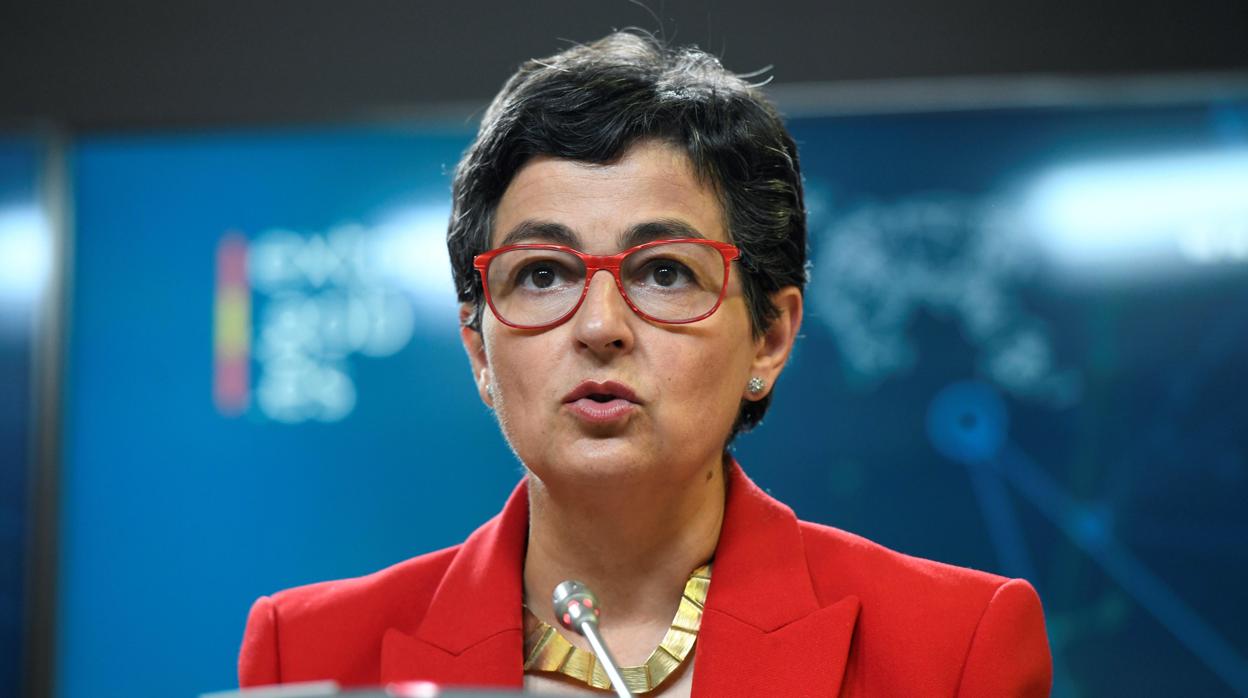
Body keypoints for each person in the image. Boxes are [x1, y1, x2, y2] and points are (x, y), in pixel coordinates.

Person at [238, 32, 1052, 697]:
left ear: (769, 336)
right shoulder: (307, 653)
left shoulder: (954, 648)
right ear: (478, 348)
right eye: (542, 274)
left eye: (664, 272)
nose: (600, 327)